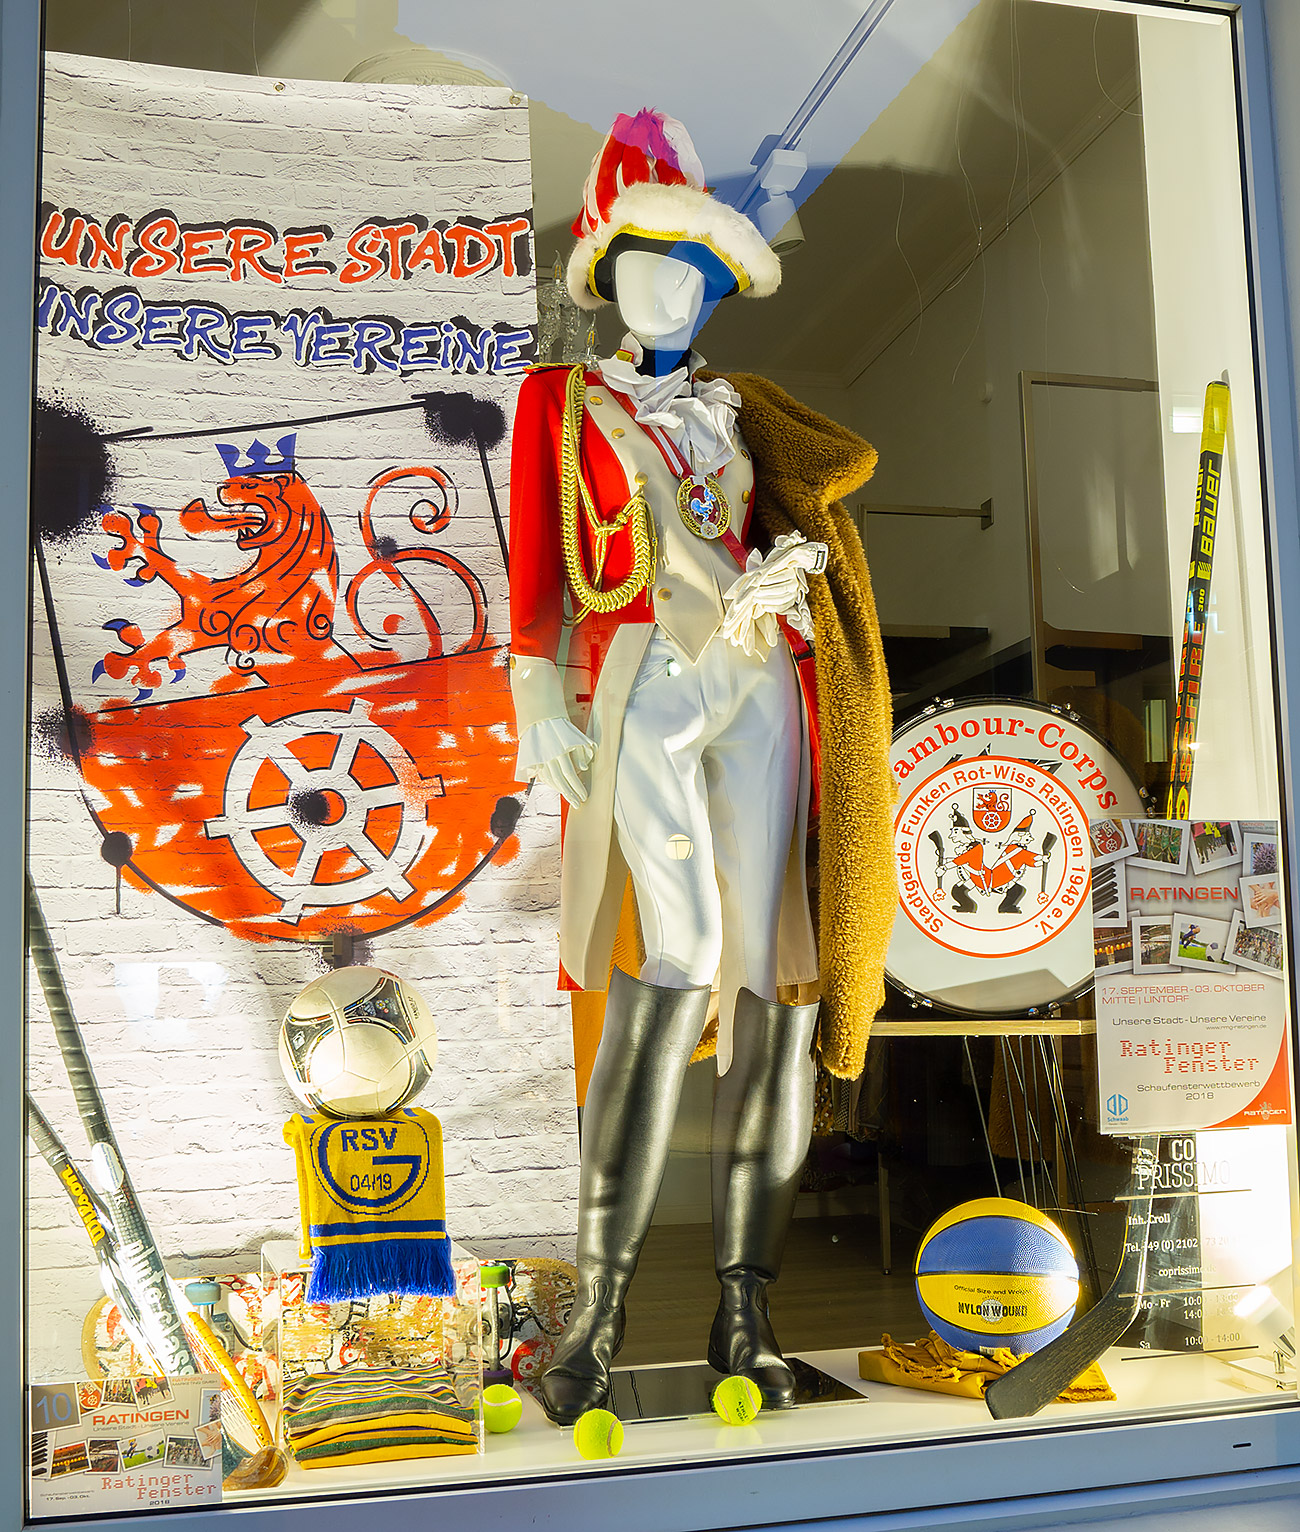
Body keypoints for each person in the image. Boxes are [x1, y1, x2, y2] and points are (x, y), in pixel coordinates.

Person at [508, 109, 895, 1424]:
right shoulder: (562, 401)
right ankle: (601, 1313)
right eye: (648, 265)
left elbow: (797, 517)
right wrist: (533, 686)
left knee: (776, 967)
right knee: (674, 954)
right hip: (650, 680)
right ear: (605, 272)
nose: (670, 293)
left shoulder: (744, 411)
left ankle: (748, 1311)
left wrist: (795, 573)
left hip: (763, 676)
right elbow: (539, 557)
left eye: (695, 273)